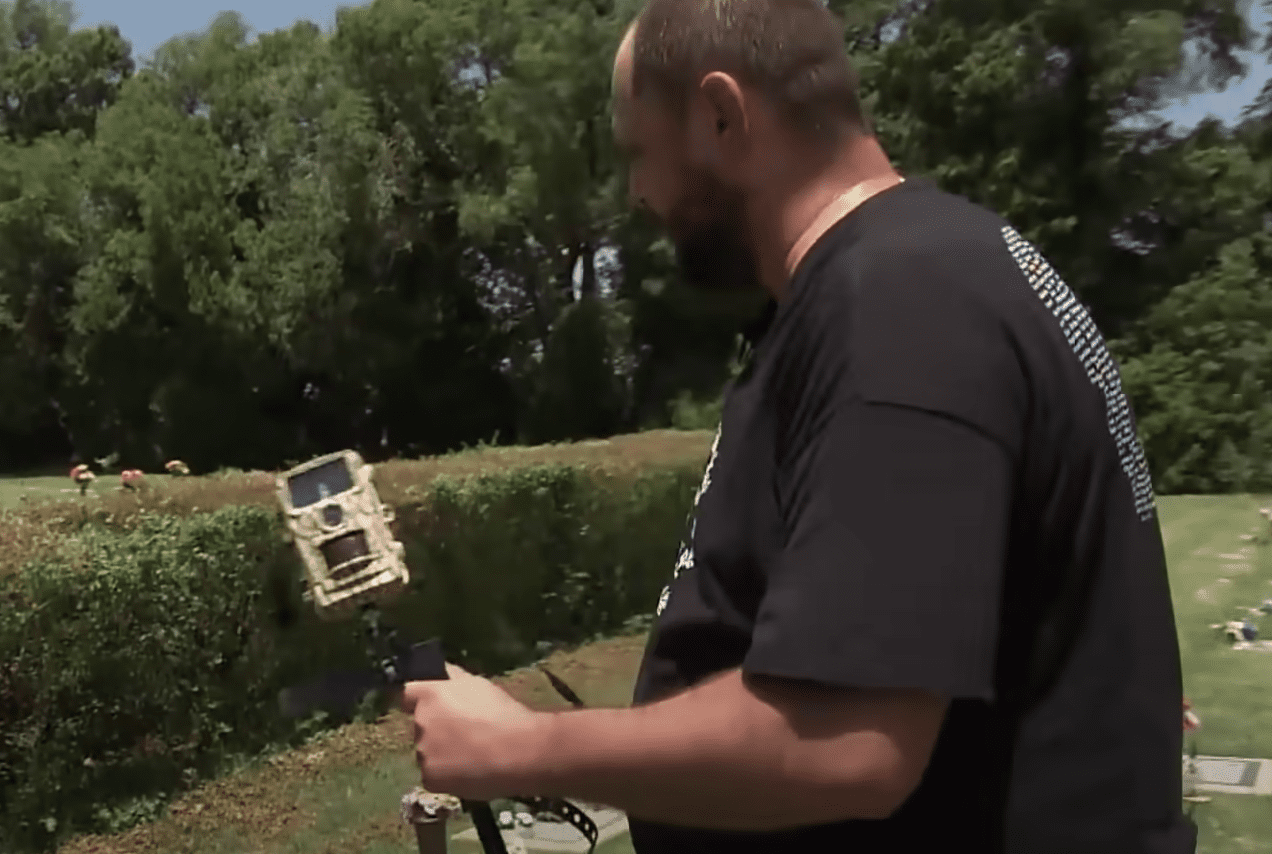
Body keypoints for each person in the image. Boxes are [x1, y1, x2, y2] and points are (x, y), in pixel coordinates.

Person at [399, 1, 1194, 851]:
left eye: (640, 153)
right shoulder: (927, 273)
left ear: (720, 114)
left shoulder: (899, 304)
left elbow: (846, 739)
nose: (636, 193)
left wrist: (524, 747)